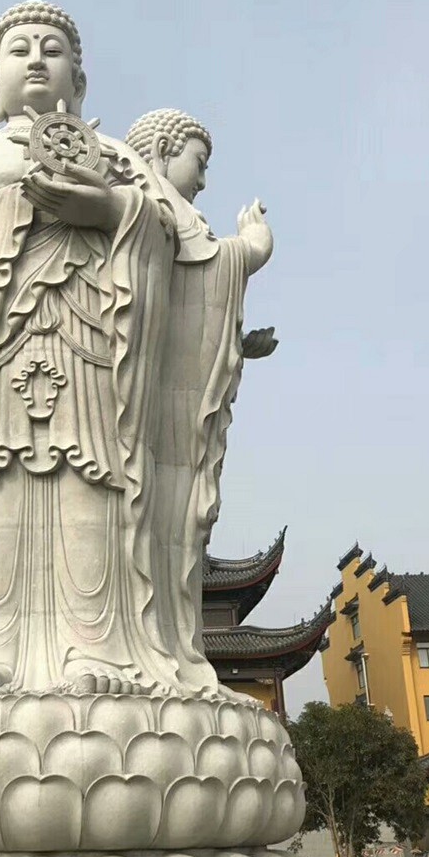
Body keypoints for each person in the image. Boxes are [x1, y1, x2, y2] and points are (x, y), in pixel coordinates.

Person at [0, 0, 238, 700]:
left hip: (96, 347)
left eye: (52, 50)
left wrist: (111, 211)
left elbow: (175, 241)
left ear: (78, 81)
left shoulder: (115, 158)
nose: (36, 60)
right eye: (20, 49)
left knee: (95, 486)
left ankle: (99, 643)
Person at [124, 108, 272, 692]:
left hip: (176, 415)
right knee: (153, 521)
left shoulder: (179, 213)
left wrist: (233, 345)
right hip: (136, 417)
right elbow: (192, 278)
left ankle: (175, 648)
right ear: (163, 148)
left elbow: (188, 316)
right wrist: (250, 249)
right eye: (199, 162)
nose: (204, 180)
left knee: (183, 526)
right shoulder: (147, 203)